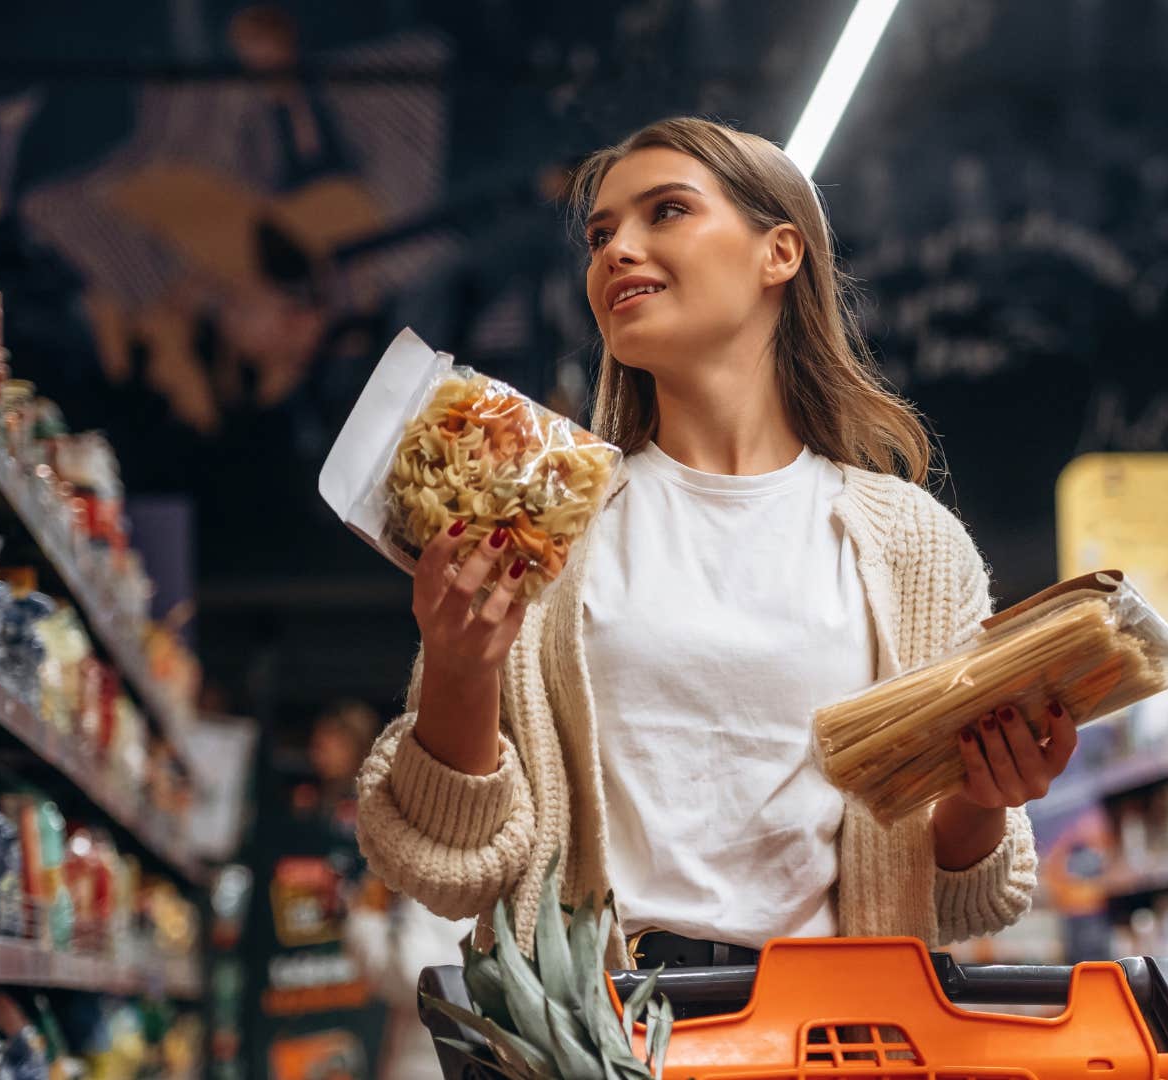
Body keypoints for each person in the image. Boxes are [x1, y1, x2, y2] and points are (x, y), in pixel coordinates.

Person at [355, 117, 1075, 969]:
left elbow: (952, 894)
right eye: (599, 234)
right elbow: (448, 864)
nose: (617, 249)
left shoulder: (914, 546)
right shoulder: (543, 514)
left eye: (665, 212)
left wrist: (986, 798)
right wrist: (460, 669)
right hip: (604, 1038)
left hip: (835, 1041)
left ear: (780, 253)